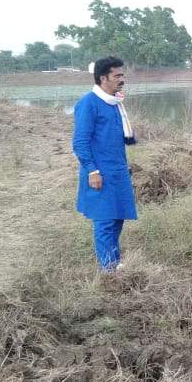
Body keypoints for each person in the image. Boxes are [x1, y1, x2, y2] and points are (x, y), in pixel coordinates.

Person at [73, 56, 138, 271]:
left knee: (118, 217)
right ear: (103, 78)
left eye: (122, 74)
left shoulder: (115, 102)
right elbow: (80, 143)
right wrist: (92, 171)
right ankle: (108, 270)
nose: (122, 79)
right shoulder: (88, 104)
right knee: (104, 221)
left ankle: (114, 260)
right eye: (117, 75)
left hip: (118, 170)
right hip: (99, 172)